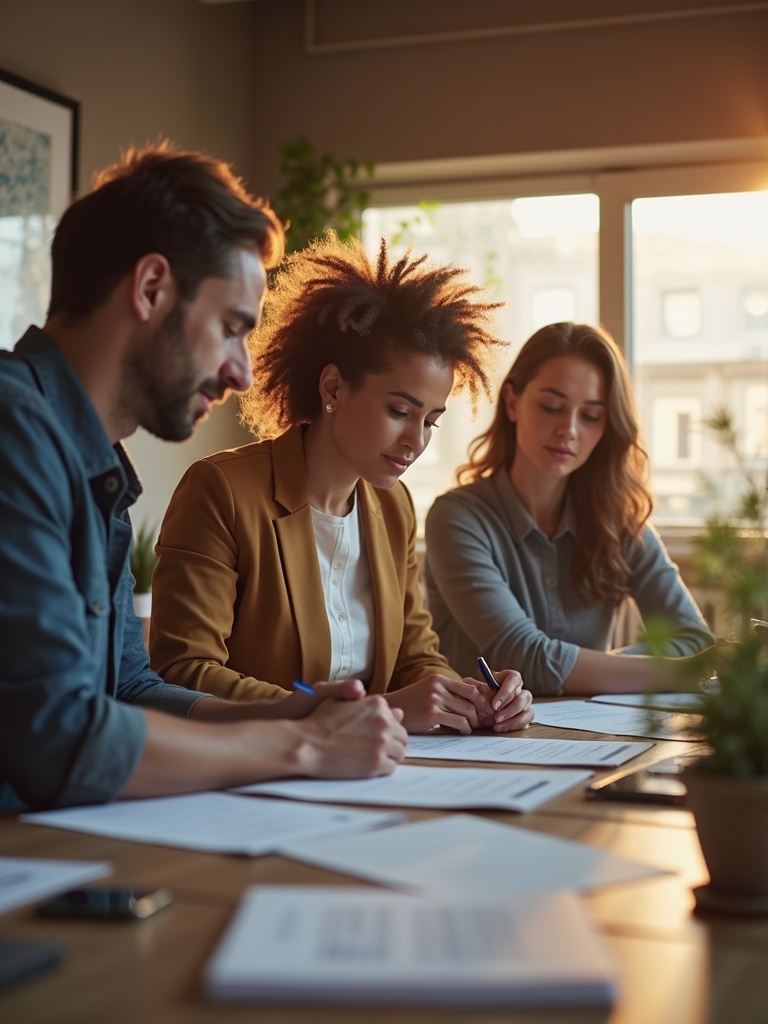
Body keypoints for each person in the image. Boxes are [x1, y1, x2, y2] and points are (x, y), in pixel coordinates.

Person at [0, 143, 409, 812]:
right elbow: (64, 738)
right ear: (151, 288)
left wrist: (294, 713)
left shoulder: (94, 465)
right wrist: (304, 750)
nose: (242, 373)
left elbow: (126, 687)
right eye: (230, 327)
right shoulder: (15, 432)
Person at [149, 234, 535, 735]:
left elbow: (416, 660)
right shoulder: (222, 491)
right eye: (399, 411)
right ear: (333, 387)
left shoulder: (392, 506)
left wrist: (467, 698)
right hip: (256, 771)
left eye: (431, 421)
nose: (415, 441)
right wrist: (368, 713)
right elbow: (184, 673)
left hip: (372, 767)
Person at [424, 321, 715, 696]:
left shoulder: (618, 521)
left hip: (592, 741)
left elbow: (694, 639)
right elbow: (526, 659)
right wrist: (676, 672)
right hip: (479, 742)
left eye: (591, 415)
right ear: (512, 402)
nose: (570, 430)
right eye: (551, 407)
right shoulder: (457, 518)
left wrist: (609, 667)